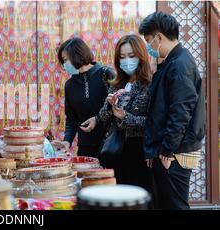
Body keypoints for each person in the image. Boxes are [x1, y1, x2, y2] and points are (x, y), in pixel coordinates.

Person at [139, 12, 206, 210]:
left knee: (175, 205)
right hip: (171, 150)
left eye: (149, 41)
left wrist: (168, 150)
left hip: (175, 152)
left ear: (159, 37)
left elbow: (180, 112)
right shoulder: (174, 61)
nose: (149, 47)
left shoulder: (178, 64)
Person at [81, 34, 153, 194]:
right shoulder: (117, 83)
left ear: (141, 56)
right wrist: (109, 105)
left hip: (139, 151)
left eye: (131, 56)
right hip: (116, 149)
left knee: (136, 197)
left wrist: (125, 116)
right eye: (122, 57)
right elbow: (104, 117)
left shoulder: (150, 84)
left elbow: (153, 123)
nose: (127, 61)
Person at [57, 37, 115, 158]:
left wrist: (98, 119)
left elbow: (118, 107)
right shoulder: (70, 85)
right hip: (85, 148)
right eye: (63, 61)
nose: (64, 65)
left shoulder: (106, 74)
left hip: (110, 144)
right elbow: (71, 118)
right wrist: (67, 141)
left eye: (66, 60)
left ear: (77, 55)